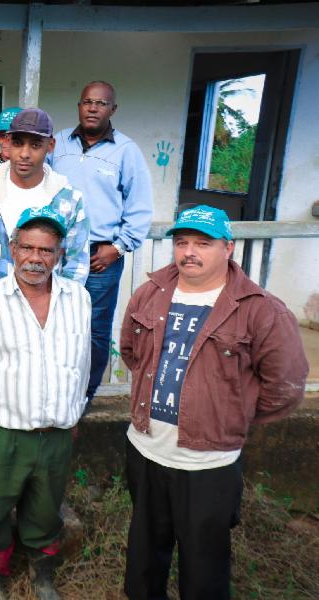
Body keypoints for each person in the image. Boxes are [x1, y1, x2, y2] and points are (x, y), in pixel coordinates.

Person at [120, 205, 307, 600]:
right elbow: (131, 351)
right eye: (182, 242)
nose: (190, 252)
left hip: (208, 466)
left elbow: (285, 386)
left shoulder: (260, 310)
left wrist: (230, 416)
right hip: (146, 451)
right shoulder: (151, 292)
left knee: (204, 571)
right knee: (143, 562)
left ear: (228, 248)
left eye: (203, 243)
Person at [0, 107, 89, 518]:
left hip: (48, 315)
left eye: (35, 144)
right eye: (17, 142)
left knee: (33, 392)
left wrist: (50, 303)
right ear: (5, 144)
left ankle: (35, 492)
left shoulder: (68, 199)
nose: (25, 153)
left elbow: (78, 261)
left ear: (49, 146)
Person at [0, 206, 91, 600]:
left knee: (46, 507)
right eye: (27, 247)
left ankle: (42, 570)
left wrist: (74, 410)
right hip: (3, 430)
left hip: (56, 431)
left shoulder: (77, 299)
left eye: (45, 251)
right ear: (12, 249)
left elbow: (82, 359)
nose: (35, 258)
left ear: (59, 255)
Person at [50, 81, 153, 406]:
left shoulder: (126, 151)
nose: (93, 108)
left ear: (113, 110)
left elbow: (140, 206)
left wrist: (119, 247)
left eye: (101, 103)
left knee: (93, 330)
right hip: (58, 254)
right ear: (79, 106)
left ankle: (83, 396)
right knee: (53, 323)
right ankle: (55, 389)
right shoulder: (59, 144)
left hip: (100, 256)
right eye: (87, 102)